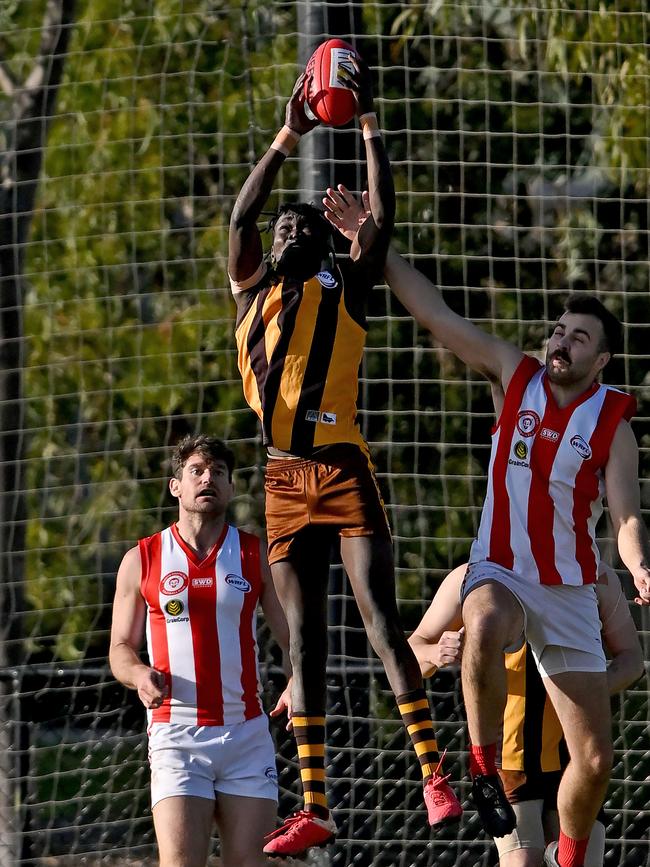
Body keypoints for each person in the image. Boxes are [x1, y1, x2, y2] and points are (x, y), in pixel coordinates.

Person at [322, 187, 650, 867]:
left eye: (578, 337)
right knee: (484, 611)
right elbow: (435, 312)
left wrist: (640, 563)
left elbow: (624, 516)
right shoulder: (514, 373)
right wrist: (375, 244)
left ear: (602, 362)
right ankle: (480, 767)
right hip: (499, 565)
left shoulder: (613, 426)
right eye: (559, 330)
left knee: (593, 760)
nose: (561, 341)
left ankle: (572, 849)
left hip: (567, 589)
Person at [227, 59, 462, 858]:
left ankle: (433, 774)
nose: (288, 230)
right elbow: (243, 212)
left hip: (344, 465)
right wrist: (289, 133)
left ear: (325, 244)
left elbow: (382, 221)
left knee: (375, 615)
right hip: (284, 477)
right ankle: (316, 805)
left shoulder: (344, 283)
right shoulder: (253, 287)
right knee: (303, 641)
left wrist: (364, 125)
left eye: (303, 228)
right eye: (282, 227)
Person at [109, 435, 292, 867]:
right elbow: (119, 647)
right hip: (177, 736)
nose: (208, 478)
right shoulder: (144, 558)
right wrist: (137, 675)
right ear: (176, 486)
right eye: (196, 471)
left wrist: (297, 680)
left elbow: (292, 640)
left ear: (230, 489)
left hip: (246, 735)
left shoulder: (255, 553)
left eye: (219, 473)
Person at [408, 561, 643, 867]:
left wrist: (584, 694)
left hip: (575, 759)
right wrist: (435, 653)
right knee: (522, 860)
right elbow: (412, 649)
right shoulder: (472, 577)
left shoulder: (592, 573)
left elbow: (632, 660)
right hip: (509, 758)